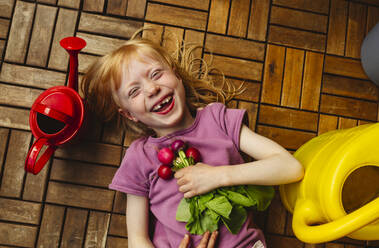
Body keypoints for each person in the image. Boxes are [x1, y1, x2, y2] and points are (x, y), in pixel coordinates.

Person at [82, 29, 304, 248]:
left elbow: (289, 167)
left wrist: (219, 176)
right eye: (134, 92)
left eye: (156, 74)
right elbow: (138, 240)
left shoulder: (218, 119)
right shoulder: (140, 157)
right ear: (129, 114)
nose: (151, 89)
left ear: (176, 75)